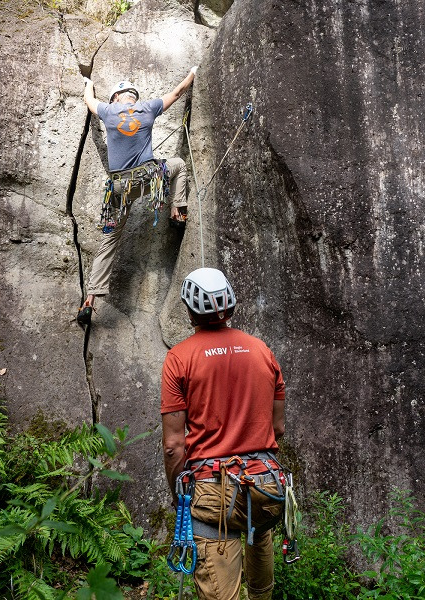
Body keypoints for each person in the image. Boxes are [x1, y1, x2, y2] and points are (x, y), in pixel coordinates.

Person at [161, 267, 287, 600]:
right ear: (229, 305)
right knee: (260, 552)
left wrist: (179, 496)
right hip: (265, 488)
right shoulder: (262, 351)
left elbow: (174, 446)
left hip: (213, 492)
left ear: (189, 309)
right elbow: (277, 429)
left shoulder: (179, 359)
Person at [78, 68, 197, 320]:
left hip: (119, 189)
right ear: (132, 95)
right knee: (179, 165)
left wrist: (88, 81)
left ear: (116, 97)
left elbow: (89, 102)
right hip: (147, 179)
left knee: (109, 240)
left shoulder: (109, 112)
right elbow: (177, 93)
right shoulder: (148, 108)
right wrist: (192, 73)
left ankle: (90, 299)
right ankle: (178, 211)